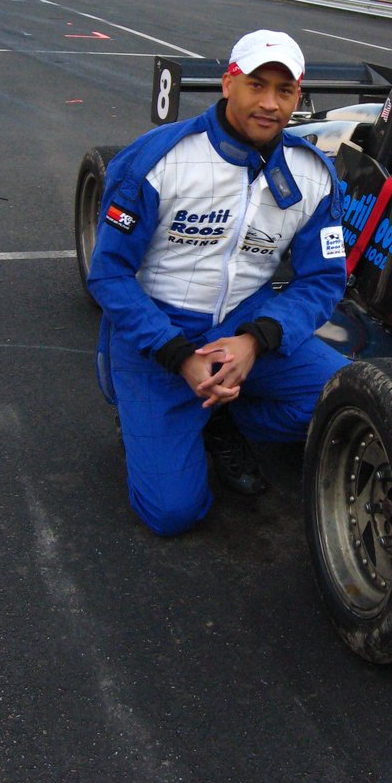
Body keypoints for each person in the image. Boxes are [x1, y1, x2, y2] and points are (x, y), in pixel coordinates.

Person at [87, 29, 348, 536]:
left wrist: (256, 340)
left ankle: (217, 416)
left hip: (245, 327)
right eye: (256, 85)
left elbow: (322, 280)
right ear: (229, 84)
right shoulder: (155, 159)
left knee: (348, 395)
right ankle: (168, 410)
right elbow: (109, 274)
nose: (270, 104)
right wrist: (176, 353)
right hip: (159, 335)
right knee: (170, 513)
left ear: (298, 96)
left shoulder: (315, 174)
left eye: (285, 91)